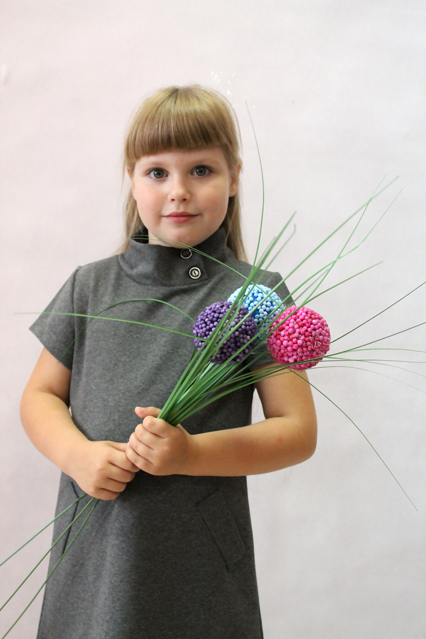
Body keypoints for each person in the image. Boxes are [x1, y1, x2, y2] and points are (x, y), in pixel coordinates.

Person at [21, 85, 317, 639]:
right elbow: (39, 396)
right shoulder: (90, 286)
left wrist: (191, 453)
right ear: (132, 180)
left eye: (201, 170)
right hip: (93, 554)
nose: (178, 191)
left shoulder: (255, 297)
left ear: (234, 178)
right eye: (157, 172)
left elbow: (297, 432)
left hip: (198, 566)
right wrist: (76, 455)